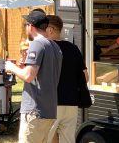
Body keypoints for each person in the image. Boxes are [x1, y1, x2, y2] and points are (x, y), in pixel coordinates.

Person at [5, 11, 62, 143]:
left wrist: (11, 67)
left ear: (30, 26)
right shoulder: (54, 46)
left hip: (34, 110)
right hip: (49, 110)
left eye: (26, 25)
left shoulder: (37, 44)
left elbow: (28, 76)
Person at [46, 15, 88, 143]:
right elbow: (85, 77)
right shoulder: (73, 48)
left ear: (50, 29)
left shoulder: (45, 48)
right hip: (71, 103)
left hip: (51, 103)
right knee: (68, 139)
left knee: (44, 139)